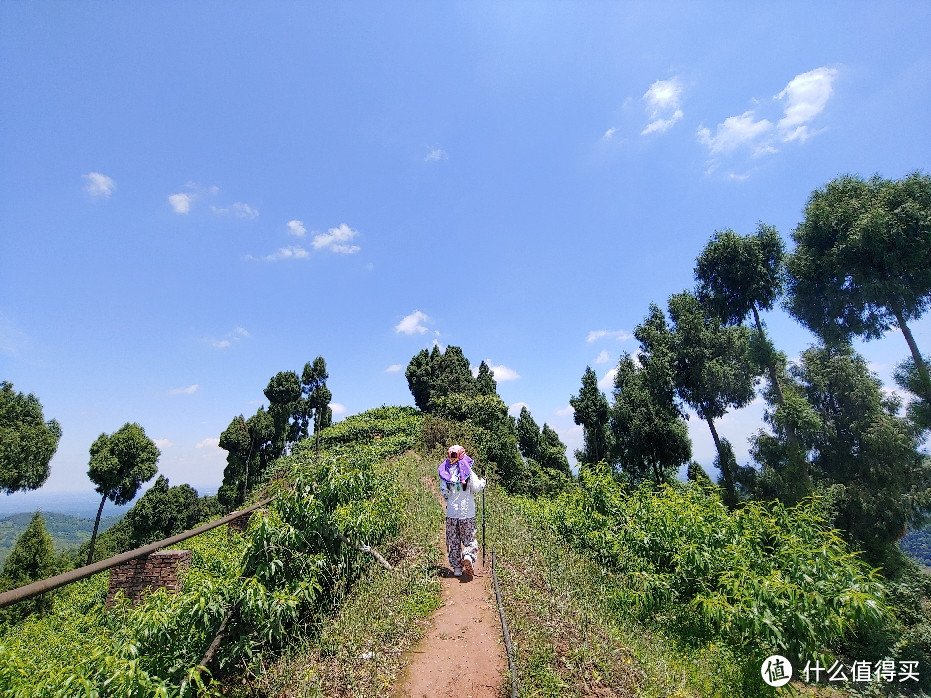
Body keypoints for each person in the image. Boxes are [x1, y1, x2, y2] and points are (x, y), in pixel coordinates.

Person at [438, 444, 485, 577]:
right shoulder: (468, 471)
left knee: (453, 539)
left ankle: (457, 568)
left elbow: (444, 492)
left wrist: (450, 499)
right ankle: (468, 556)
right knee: (469, 538)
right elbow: (476, 487)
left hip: (452, 512)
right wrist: (483, 482)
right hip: (467, 512)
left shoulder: (445, 471)